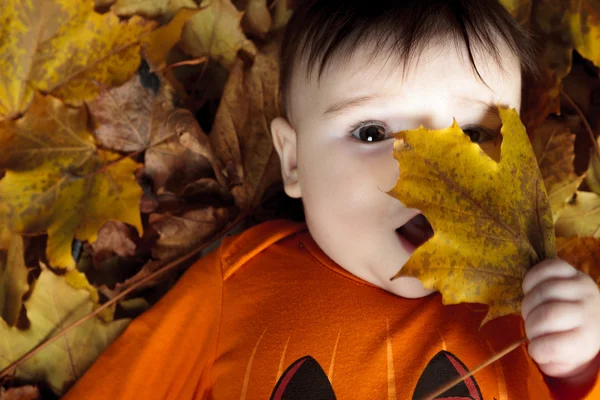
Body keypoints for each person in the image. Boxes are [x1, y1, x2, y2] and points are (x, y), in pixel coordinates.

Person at [62, 0, 600, 398]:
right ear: (293, 161)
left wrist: (578, 364)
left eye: (476, 135)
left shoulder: (527, 297)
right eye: (371, 133)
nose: (435, 172)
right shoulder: (242, 277)